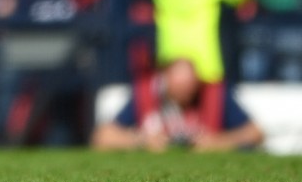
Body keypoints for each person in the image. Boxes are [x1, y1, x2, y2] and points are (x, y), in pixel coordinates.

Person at [92, 58, 264, 152]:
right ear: (165, 82)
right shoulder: (146, 95)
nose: (185, 95)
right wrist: (141, 141)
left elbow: (255, 133)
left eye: (189, 89)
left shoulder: (214, 95)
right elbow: (103, 137)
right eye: (179, 89)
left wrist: (219, 142)